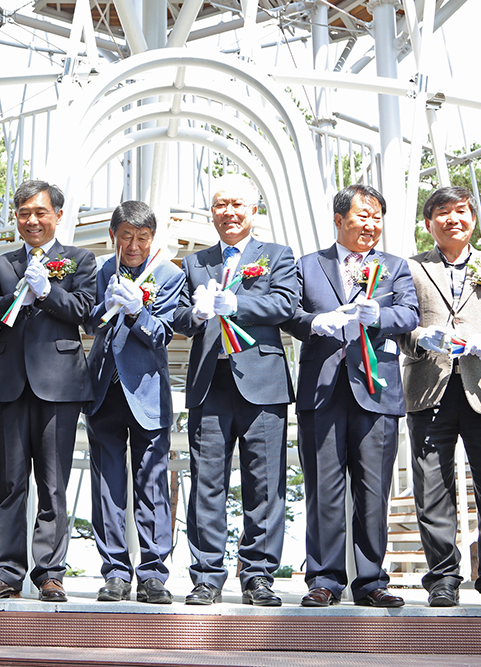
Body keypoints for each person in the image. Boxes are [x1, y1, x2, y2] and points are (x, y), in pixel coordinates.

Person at [282, 184, 419, 608]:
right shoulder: (308, 265)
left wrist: (383, 317)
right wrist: (315, 322)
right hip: (321, 390)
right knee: (323, 488)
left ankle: (372, 581)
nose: (371, 224)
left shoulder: (394, 267)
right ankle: (323, 578)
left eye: (377, 216)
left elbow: (410, 313)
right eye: (363, 215)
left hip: (376, 392)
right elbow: (289, 312)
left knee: (373, 490)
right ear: (339, 220)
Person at [0, 180, 97, 602]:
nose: (32, 220)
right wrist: (17, 296)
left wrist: (47, 292)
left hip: (59, 385)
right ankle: (6, 570)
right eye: (24, 212)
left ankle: (50, 574)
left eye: (40, 212)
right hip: (7, 384)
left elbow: (84, 311)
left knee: (53, 483)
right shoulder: (1, 264)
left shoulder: (80, 260)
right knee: (11, 482)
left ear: (58, 216)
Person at [172, 175, 298, 607]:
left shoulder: (277, 256)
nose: (229, 212)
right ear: (212, 212)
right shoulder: (195, 263)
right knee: (207, 482)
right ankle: (206, 575)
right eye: (221, 204)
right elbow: (182, 322)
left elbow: (285, 305)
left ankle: (259, 574)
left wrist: (238, 304)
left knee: (265, 483)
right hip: (210, 383)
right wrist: (195, 312)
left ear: (253, 211)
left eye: (237, 205)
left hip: (262, 383)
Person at [401, 186, 481, 608]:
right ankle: (442, 579)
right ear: (428, 223)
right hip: (428, 387)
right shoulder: (412, 268)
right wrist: (422, 337)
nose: (454, 219)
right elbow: (402, 325)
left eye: (461, 211)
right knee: (432, 486)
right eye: (443, 213)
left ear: (472, 218)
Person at [82, 201, 183, 604]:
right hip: (104, 389)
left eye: (142, 237)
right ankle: (115, 572)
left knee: (151, 484)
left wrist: (139, 312)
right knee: (106, 485)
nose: (134, 245)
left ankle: (154, 573)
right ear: (113, 236)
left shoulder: (169, 275)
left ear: (151, 239)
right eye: (126, 236)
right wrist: (105, 309)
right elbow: (87, 321)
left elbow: (163, 332)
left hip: (147, 393)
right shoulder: (101, 269)